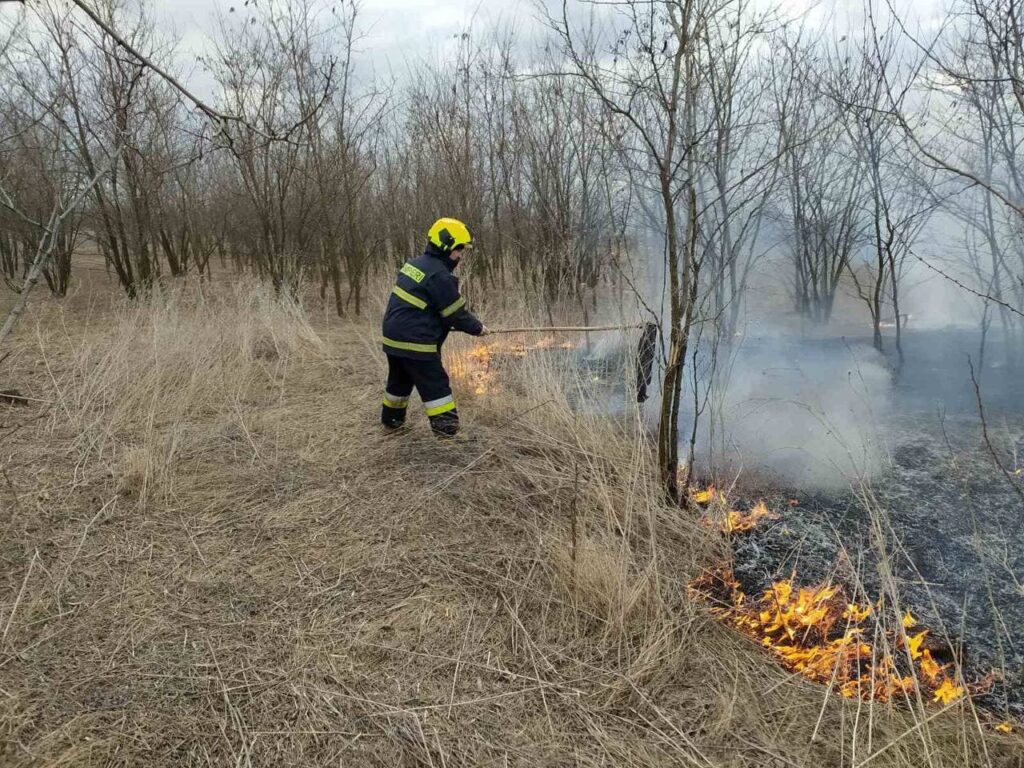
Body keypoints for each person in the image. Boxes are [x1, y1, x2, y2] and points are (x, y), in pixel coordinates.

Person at [380, 217, 488, 437]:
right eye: (460, 250)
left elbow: (422, 305)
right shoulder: (439, 275)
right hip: (415, 341)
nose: (460, 256)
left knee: (399, 382)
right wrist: (478, 328)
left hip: (393, 337)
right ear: (448, 246)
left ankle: (391, 423)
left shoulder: (415, 264)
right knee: (436, 386)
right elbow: (455, 314)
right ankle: (448, 434)